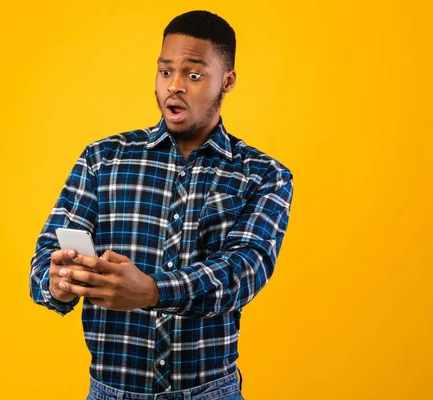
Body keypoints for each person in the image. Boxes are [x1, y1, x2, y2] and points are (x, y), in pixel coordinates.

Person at [30, 10, 293, 400]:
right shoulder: (103, 159)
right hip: (109, 391)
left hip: (210, 392)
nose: (175, 86)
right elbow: (43, 263)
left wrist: (153, 290)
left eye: (194, 74)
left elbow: (243, 271)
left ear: (228, 80)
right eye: (165, 71)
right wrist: (59, 283)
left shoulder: (265, 175)